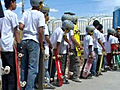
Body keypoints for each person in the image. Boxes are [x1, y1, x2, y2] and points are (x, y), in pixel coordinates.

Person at [19, 0, 45, 89]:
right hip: (34, 41)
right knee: (32, 67)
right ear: (38, 4)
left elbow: (21, 26)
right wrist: (41, 45)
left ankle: (23, 86)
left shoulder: (26, 13)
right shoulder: (40, 14)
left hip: (24, 40)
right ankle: (30, 88)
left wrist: (27, 29)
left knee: (23, 66)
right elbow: (41, 31)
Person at [0, 0, 21, 89]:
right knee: (12, 72)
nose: (16, 4)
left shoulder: (1, 15)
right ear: (11, 2)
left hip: (2, 45)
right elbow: (16, 31)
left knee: (5, 71)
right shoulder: (13, 15)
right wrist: (19, 44)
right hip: (9, 46)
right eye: (15, 2)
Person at [50, 20, 74, 84]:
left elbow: (64, 37)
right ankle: (59, 79)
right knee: (60, 65)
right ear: (66, 28)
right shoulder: (61, 32)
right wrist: (57, 54)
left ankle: (53, 78)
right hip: (55, 49)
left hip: (53, 48)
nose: (69, 31)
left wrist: (69, 43)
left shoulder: (59, 29)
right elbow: (58, 42)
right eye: (69, 30)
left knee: (55, 65)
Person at [40, 4, 55, 89]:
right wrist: (50, 45)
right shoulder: (44, 25)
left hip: (42, 47)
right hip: (45, 48)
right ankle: (46, 82)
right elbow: (46, 37)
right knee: (45, 67)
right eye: (48, 15)